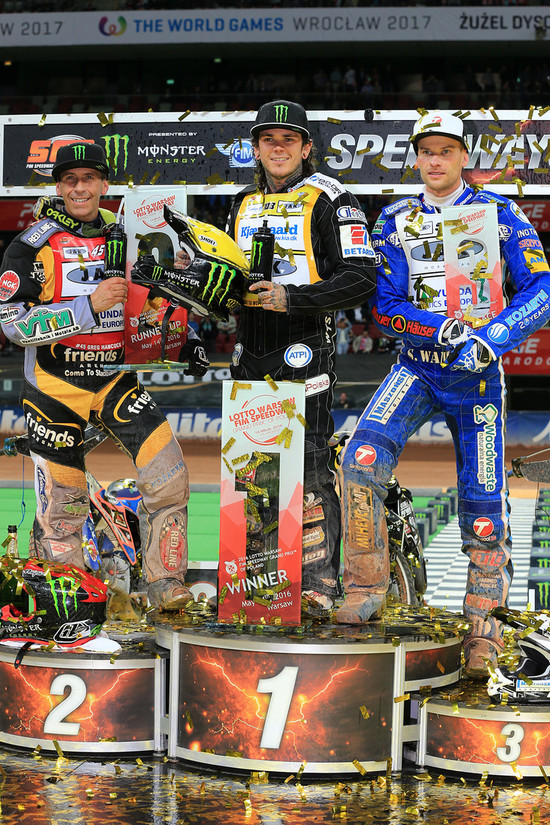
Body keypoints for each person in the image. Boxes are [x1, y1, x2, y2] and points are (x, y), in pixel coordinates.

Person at [338, 111, 550, 678]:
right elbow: (384, 306)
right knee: (360, 461)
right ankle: (365, 590)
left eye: (446, 150)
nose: (435, 160)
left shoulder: (501, 213)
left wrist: (491, 338)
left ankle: (485, 632)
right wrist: (442, 330)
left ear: (463, 156)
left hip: (477, 381)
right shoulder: (393, 220)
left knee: (484, 514)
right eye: (426, 151)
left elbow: (543, 288)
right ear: (416, 157)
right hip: (416, 369)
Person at [0, 142, 210, 611]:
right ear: (59, 187)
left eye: (89, 178)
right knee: (65, 505)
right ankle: (71, 605)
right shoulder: (30, 244)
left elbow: (148, 302)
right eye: (70, 179)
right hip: (55, 386)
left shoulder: (127, 232)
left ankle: (165, 584)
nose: (80, 188)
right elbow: (13, 325)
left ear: (103, 184)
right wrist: (88, 306)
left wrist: (184, 338)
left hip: (116, 378)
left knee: (170, 476)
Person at [225, 99, 377, 617]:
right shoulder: (242, 202)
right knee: (251, 474)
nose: (279, 147)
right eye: (269, 139)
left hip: (305, 349)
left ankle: (316, 585)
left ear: (307, 147)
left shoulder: (334, 198)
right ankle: (253, 588)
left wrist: (292, 298)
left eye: (289, 139)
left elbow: (361, 277)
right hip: (250, 352)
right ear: (256, 148)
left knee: (308, 469)